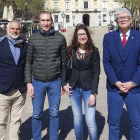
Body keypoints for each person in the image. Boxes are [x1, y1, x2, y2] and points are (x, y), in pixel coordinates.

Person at [24, 11, 67, 140]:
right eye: (43, 20)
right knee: (36, 114)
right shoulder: (33, 38)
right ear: (39, 22)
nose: (45, 23)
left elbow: (64, 62)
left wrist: (63, 83)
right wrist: (28, 82)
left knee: (54, 113)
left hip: (55, 81)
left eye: (48, 20)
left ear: (52, 21)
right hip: (37, 82)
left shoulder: (60, 38)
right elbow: (28, 62)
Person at [103, 8, 140, 140]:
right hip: (114, 88)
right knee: (113, 123)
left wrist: (132, 83)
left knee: (136, 123)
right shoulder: (108, 37)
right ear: (116, 21)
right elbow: (106, 62)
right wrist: (116, 82)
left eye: (125, 17)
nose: (122, 19)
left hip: (134, 88)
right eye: (120, 18)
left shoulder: (139, 37)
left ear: (130, 19)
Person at [62, 24, 100, 140]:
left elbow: (96, 73)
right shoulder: (70, 50)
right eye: (80, 34)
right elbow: (64, 67)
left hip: (89, 89)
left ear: (88, 35)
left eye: (84, 34)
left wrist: (94, 93)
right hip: (74, 89)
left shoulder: (94, 51)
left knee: (90, 120)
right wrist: (64, 84)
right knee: (77, 118)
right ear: (76, 36)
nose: (82, 36)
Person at [0, 20, 27, 140]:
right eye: (13, 29)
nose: (15, 31)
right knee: (1, 121)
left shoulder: (24, 44)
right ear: (7, 30)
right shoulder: (1, 44)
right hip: (3, 90)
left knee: (16, 120)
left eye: (17, 29)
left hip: (20, 90)